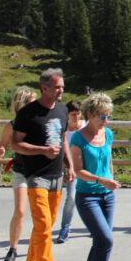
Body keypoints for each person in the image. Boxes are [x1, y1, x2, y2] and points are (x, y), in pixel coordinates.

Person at [11, 68, 72, 261]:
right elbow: (15, 144)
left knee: (47, 223)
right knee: (44, 223)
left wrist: (70, 165)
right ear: (44, 88)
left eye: (62, 86)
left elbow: (63, 138)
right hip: (36, 176)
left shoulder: (63, 110)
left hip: (57, 175)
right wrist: (41, 150)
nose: (61, 90)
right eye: (57, 87)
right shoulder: (28, 113)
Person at [70, 93, 121, 261]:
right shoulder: (78, 138)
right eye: (101, 116)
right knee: (105, 240)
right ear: (89, 115)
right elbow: (78, 170)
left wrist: (112, 180)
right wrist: (101, 180)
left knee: (100, 242)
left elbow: (108, 160)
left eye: (107, 116)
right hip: (87, 195)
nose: (105, 121)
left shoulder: (107, 134)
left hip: (107, 195)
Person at [0, 86, 36, 261]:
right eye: (31, 102)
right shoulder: (12, 126)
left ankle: (37, 249)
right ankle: (13, 248)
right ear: (22, 104)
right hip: (21, 171)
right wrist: (1, 149)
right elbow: (3, 144)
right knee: (20, 210)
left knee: (40, 214)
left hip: (40, 172)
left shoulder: (40, 122)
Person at [55, 100, 86, 244]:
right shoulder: (64, 130)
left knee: (93, 197)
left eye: (78, 114)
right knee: (71, 197)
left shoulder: (86, 127)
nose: (76, 117)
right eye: (73, 114)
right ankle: (65, 228)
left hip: (87, 167)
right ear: (67, 115)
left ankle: (96, 227)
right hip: (71, 167)